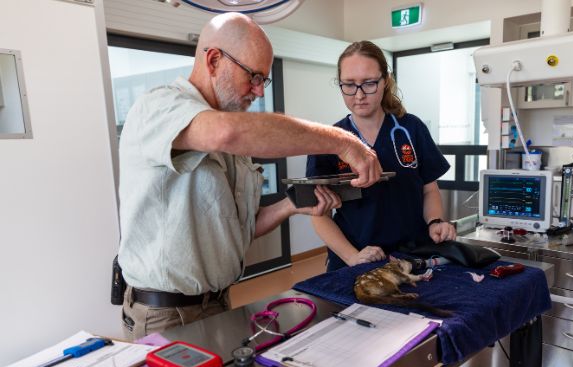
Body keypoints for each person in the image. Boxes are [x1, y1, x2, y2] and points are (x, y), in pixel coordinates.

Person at [117, 13, 382, 340]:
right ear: (214, 60)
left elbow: (239, 229)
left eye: (264, 80)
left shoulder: (229, 136)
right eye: (254, 77)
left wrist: (291, 206)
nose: (258, 91)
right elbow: (226, 133)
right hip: (164, 313)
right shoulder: (158, 106)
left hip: (218, 302)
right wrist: (342, 142)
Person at [306, 41, 456, 271]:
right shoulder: (329, 140)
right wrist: (353, 257)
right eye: (349, 85)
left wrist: (435, 221)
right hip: (355, 259)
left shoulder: (411, 129)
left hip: (412, 256)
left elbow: (429, 190)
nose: (359, 95)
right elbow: (318, 213)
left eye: (369, 83)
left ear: (385, 81)